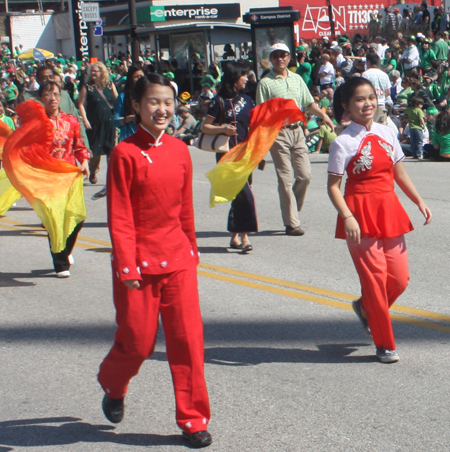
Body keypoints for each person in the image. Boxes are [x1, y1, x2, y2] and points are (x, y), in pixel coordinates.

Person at [97, 73, 212, 449]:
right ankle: (113, 384)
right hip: (139, 266)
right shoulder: (125, 153)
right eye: (153, 102)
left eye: (167, 102)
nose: (162, 109)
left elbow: (184, 211)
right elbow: (121, 216)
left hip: (178, 259)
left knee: (188, 342)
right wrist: (127, 266)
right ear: (136, 106)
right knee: (137, 344)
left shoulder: (180, 151)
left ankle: (193, 419)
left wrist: (192, 250)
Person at [327, 77, 432, 363]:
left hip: (389, 209)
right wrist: (347, 216)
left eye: (371, 97)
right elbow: (333, 187)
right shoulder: (342, 142)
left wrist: (419, 201)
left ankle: (365, 309)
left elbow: (400, 173)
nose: (368, 103)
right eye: (360, 99)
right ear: (346, 105)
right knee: (374, 281)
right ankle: (384, 343)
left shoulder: (388, 132)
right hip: (359, 214)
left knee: (398, 278)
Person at [256, 43, 334, 236]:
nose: (280, 59)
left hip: (297, 130)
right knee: (285, 178)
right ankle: (292, 222)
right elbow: (261, 114)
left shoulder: (297, 79)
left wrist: (324, 116)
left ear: (289, 57)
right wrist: (260, 144)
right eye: (275, 56)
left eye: (283, 55)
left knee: (305, 176)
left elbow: (309, 103)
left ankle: (292, 208)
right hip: (277, 133)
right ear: (271, 59)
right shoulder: (265, 83)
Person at [202, 61, 257, 252]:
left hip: (246, 153)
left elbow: (253, 125)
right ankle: (245, 237)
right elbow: (204, 126)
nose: (247, 79)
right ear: (235, 78)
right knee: (245, 195)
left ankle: (234, 236)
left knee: (238, 194)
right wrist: (222, 128)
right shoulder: (218, 101)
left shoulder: (247, 100)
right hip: (227, 155)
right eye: (244, 75)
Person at [38, 81, 90, 277]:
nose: (52, 98)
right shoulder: (36, 122)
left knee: (77, 217)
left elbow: (79, 146)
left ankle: (65, 250)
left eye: (55, 94)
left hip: (69, 175)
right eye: (47, 95)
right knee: (55, 220)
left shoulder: (71, 120)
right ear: (41, 99)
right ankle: (60, 263)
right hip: (48, 178)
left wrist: (84, 161)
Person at [78, 62, 118, 185]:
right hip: (95, 122)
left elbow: (117, 100)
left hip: (110, 121)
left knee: (111, 149)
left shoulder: (110, 85)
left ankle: (112, 175)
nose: (94, 73)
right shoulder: (87, 86)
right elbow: (80, 103)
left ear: (102, 72)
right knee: (96, 149)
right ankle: (93, 170)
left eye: (96, 71)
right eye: (92, 71)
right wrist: (85, 119)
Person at [362, 53, 390, 124]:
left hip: (370, 106)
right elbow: (388, 92)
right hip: (382, 105)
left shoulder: (365, 74)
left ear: (368, 62)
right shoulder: (385, 75)